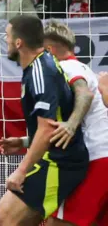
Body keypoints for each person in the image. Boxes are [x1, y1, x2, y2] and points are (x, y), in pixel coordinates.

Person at [0, 15, 89, 226]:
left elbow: (46, 130)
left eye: (7, 36)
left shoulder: (41, 72)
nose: (6, 41)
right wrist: (24, 141)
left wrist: (20, 172)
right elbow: (53, 122)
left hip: (60, 162)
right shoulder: (39, 66)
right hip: (55, 157)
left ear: (19, 43)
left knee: (4, 219)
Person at [41, 20, 108, 226]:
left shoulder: (65, 68)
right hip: (101, 155)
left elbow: (84, 94)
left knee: (59, 223)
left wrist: (70, 125)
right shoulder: (85, 69)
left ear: (49, 50)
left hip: (97, 158)